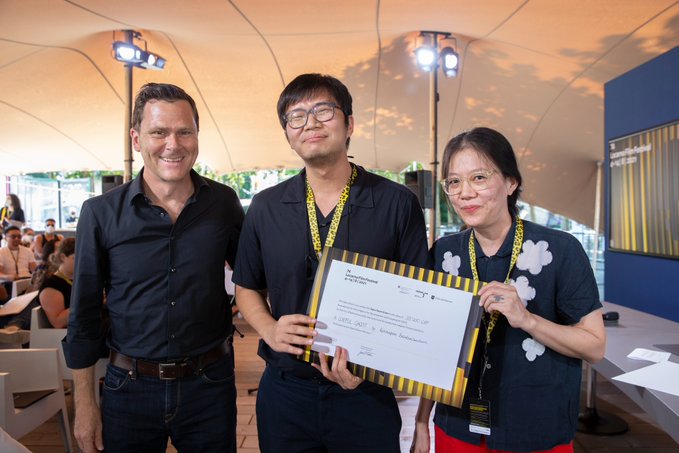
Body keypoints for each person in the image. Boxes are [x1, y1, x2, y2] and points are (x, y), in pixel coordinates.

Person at [233, 73, 430, 453]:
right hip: (285, 392)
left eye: (324, 110)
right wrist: (270, 329)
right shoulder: (266, 206)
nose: (310, 122)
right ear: (288, 134)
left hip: (365, 393)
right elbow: (247, 286)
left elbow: (417, 299)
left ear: (349, 123)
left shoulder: (396, 203)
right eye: (296, 116)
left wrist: (381, 366)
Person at [63, 83, 244, 453]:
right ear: (136, 138)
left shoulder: (224, 202)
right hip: (128, 387)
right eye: (159, 132)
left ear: (197, 135)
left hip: (210, 384)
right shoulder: (99, 213)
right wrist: (84, 404)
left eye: (184, 131)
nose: (172, 145)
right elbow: (82, 315)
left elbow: (256, 278)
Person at [411, 127, 606, 453]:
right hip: (456, 426)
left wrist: (528, 320)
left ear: (511, 183)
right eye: (454, 182)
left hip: (536, 429)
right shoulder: (444, 253)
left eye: (479, 178)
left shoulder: (560, 249)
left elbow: (595, 346)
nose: (465, 193)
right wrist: (420, 422)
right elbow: (437, 349)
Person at [37, 237, 75, 328]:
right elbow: (58, 322)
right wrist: (90, 301)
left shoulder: (78, 279)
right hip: (70, 335)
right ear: (62, 257)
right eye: (76, 258)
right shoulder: (51, 285)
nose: (82, 262)